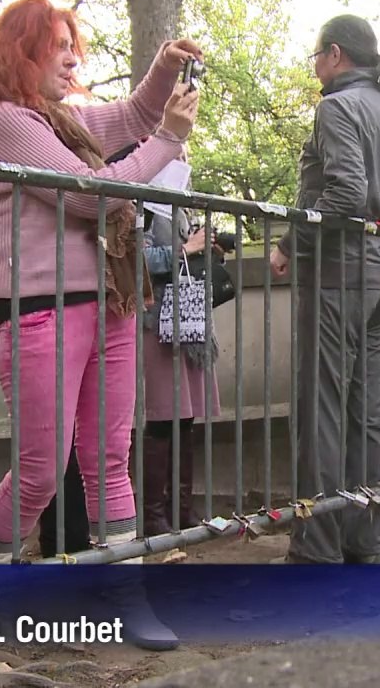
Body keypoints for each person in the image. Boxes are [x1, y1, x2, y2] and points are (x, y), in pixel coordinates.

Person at [0, 0, 201, 649]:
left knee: (108, 460)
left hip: (108, 306)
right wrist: (170, 141)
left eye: (75, 48)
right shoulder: (3, 121)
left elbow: (128, 116)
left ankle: (127, 598)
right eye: (57, 48)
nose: (72, 60)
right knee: (40, 470)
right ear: (20, 53)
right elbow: (90, 198)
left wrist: (161, 70)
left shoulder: (61, 118)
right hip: (41, 313)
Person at [268, 15, 380, 564]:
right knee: (367, 414)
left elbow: (344, 190)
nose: (314, 66)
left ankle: (315, 549)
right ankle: (369, 541)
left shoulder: (336, 107)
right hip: (376, 282)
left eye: (315, 56)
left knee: (321, 411)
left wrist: (291, 245)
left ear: (335, 54)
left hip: (335, 278)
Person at [139, 156, 223, 536]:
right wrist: (186, 250)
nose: (184, 158)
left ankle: (181, 506)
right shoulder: (140, 202)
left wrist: (205, 248)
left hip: (187, 323)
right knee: (162, 416)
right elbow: (135, 257)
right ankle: (153, 513)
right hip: (157, 321)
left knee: (185, 416)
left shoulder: (178, 201)